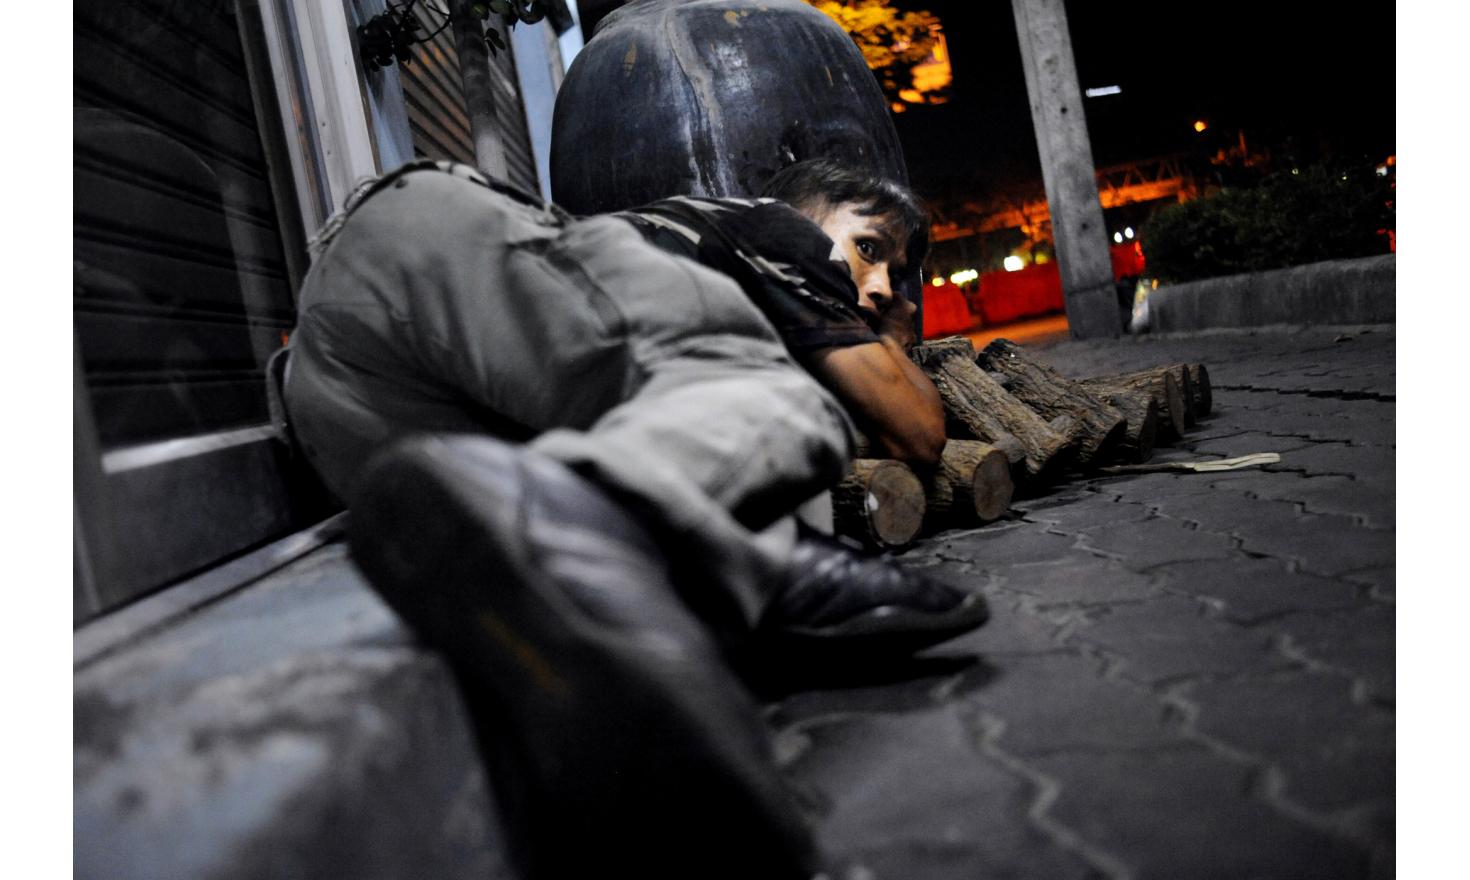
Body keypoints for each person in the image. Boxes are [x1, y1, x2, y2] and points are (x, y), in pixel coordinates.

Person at [276, 157, 989, 878]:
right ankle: (728, 563)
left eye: (898, 276)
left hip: (351, 414)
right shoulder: (781, 233)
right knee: (787, 409)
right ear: (805, 215)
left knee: (670, 469)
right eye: (869, 248)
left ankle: (681, 590)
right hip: (419, 243)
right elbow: (916, 429)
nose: (880, 286)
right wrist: (892, 335)